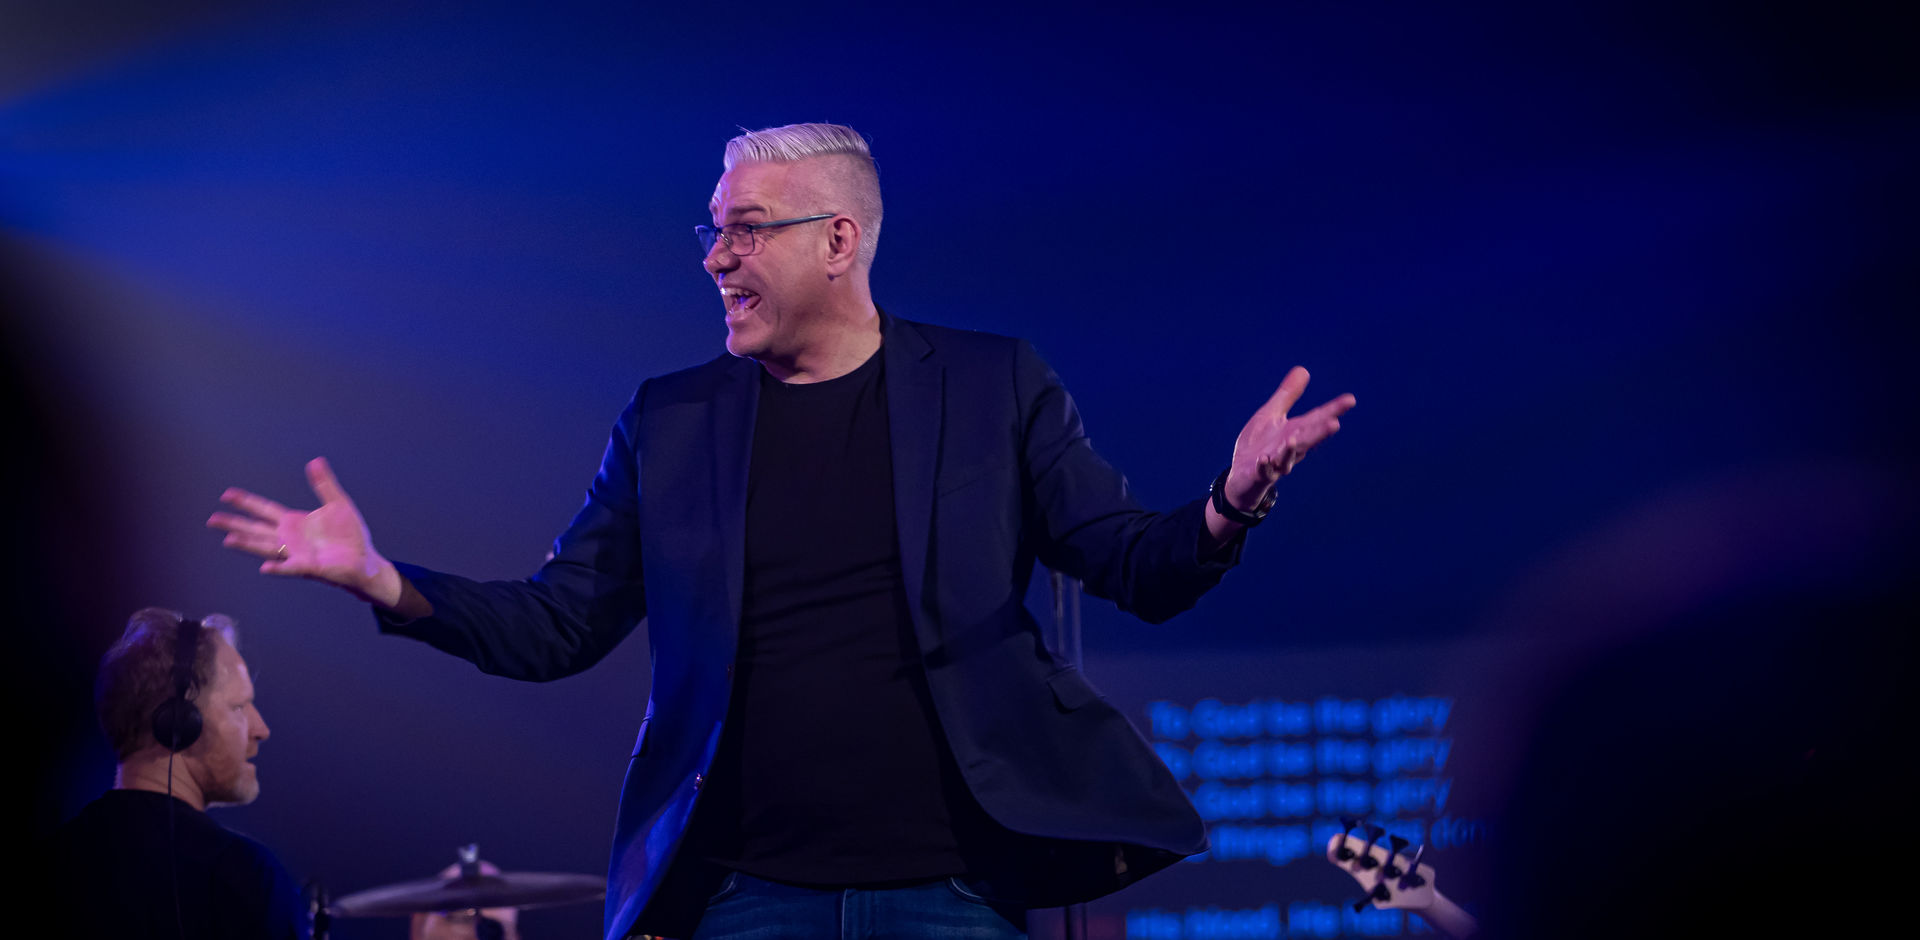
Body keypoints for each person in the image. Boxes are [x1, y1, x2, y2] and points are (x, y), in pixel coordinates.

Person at [208, 123, 1355, 940]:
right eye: (712, 232)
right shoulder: (673, 419)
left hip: (952, 894)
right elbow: (558, 623)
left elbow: (1134, 565)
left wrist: (1234, 492)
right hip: (747, 897)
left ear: (839, 240)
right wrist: (384, 580)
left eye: (746, 231)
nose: (716, 258)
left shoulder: (990, 384)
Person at [55, 608, 305, 939]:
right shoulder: (244, 879)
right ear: (180, 723)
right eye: (239, 707)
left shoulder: (52, 863)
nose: (261, 729)